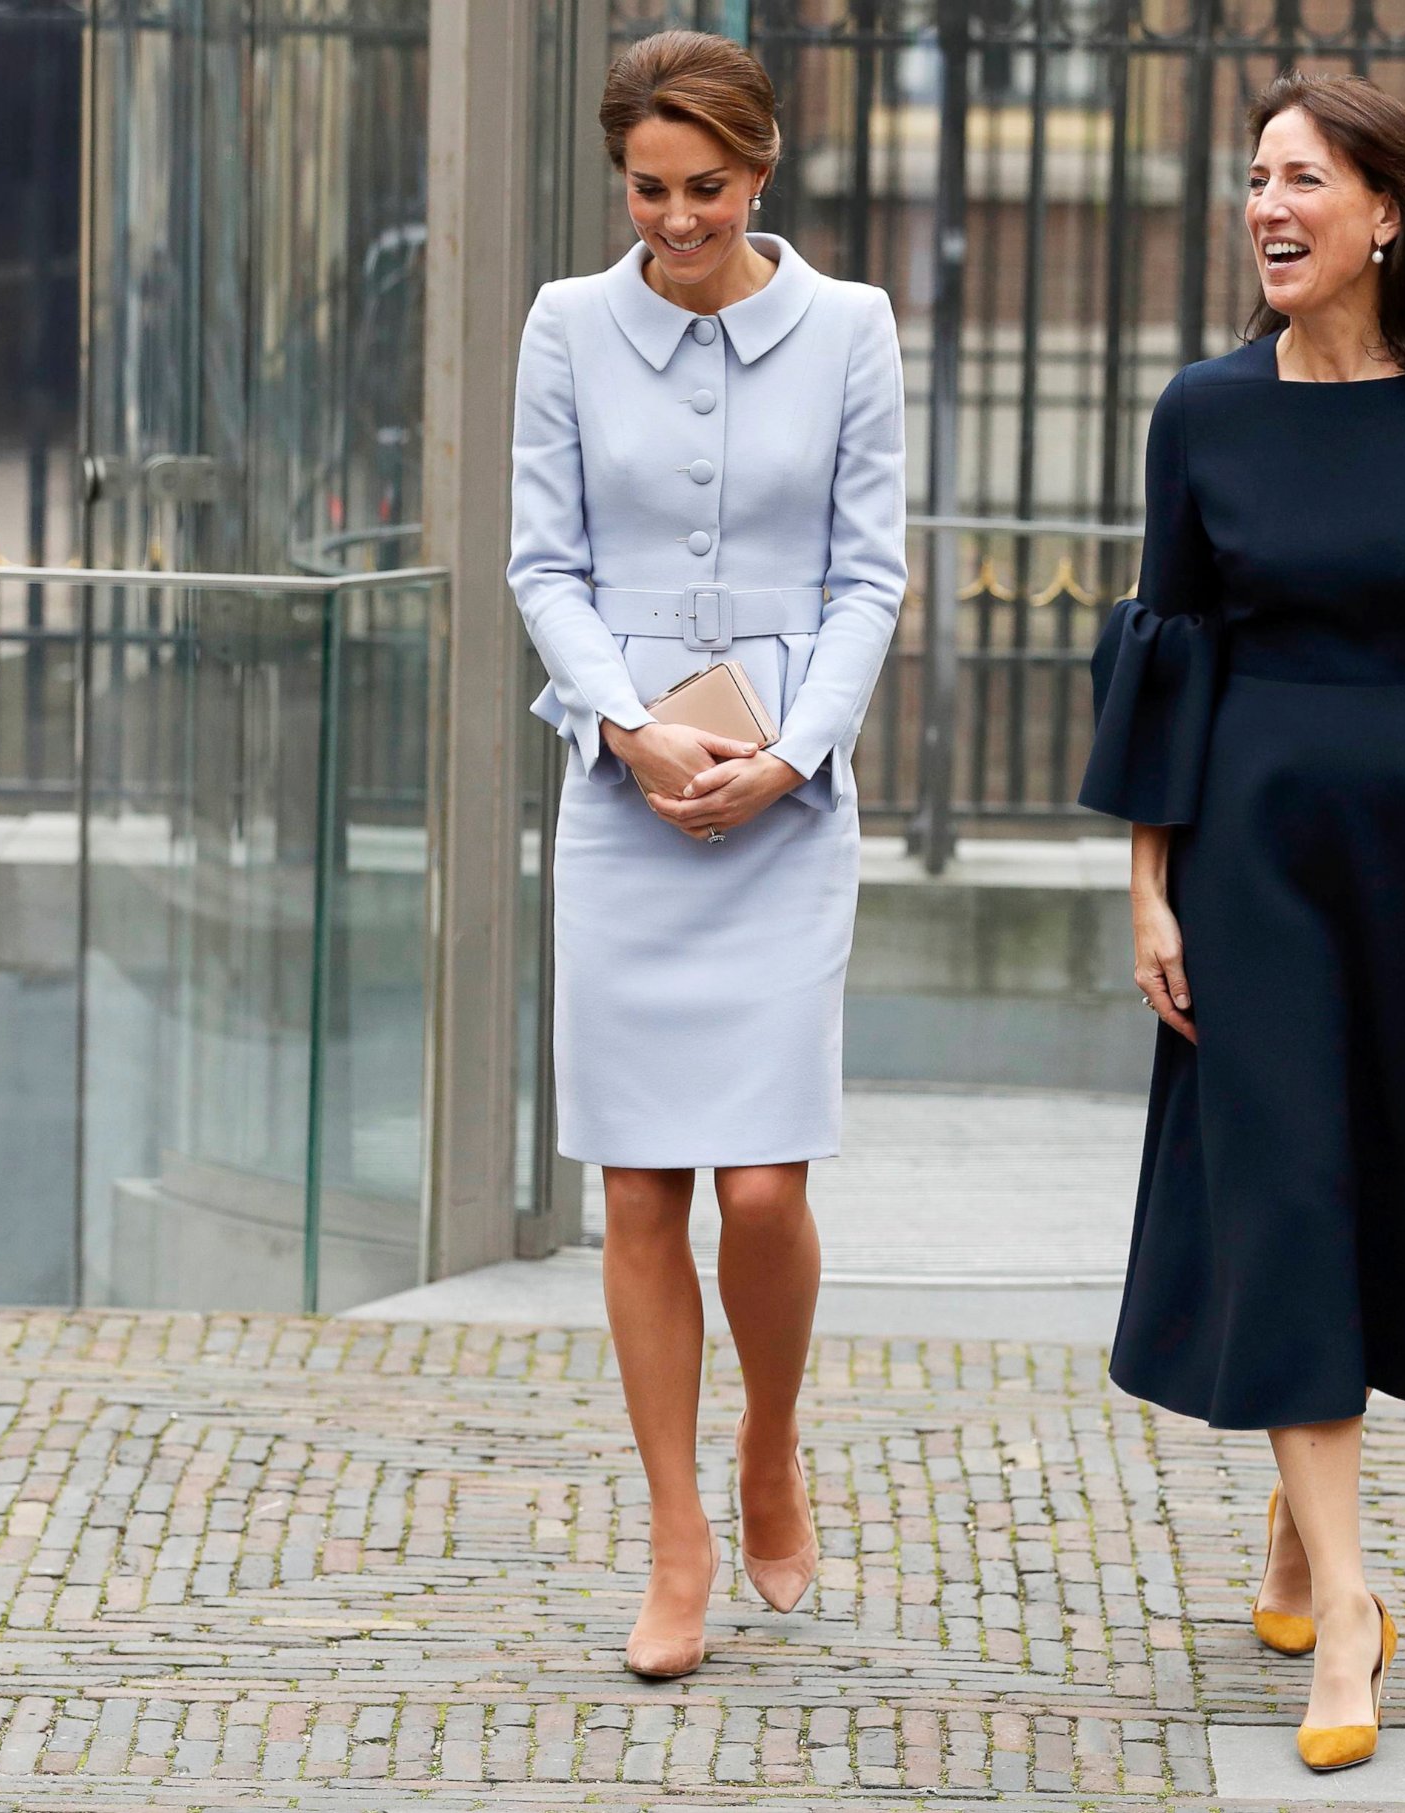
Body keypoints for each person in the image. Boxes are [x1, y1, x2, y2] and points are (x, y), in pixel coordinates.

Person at [1079, 71, 1405, 1771]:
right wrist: (1150, 885)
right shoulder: (1204, 413)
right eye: (1254, 180)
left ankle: (1303, 1535)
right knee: (1292, 1196)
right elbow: (1170, 646)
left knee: (1390, 1187)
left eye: (1303, 178)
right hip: (1254, 867)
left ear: (1385, 212)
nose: (1269, 206)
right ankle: (1354, 1622)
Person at [505, 29, 906, 1680]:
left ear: (763, 169)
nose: (673, 220)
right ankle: (677, 1527)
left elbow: (872, 573)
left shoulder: (855, 330)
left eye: (705, 189)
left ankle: (772, 1437)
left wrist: (796, 750)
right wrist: (623, 728)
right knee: (641, 1186)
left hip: (789, 798)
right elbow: (543, 559)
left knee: (762, 1182)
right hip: (626, 797)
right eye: (648, 190)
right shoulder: (565, 323)